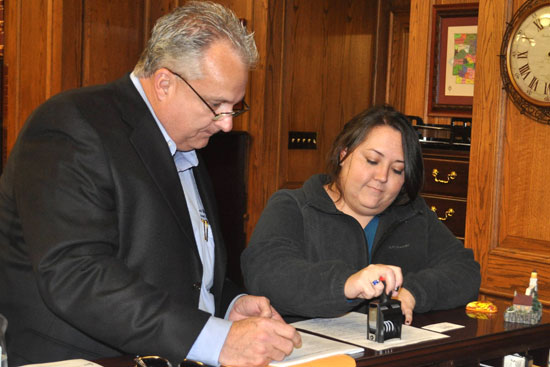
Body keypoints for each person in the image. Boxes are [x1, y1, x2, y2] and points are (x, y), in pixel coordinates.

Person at [0, 2, 301, 366]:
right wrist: (216, 339)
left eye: (235, 107)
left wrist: (228, 304)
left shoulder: (186, 142)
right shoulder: (72, 125)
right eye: (217, 104)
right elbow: (77, 275)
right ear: (164, 83)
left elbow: (176, 270)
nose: (227, 125)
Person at [241, 105, 481, 324]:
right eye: (372, 160)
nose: (383, 177)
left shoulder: (414, 214)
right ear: (343, 155)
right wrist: (347, 284)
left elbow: (465, 272)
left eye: (397, 170)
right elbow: (266, 275)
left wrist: (413, 293)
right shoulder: (292, 206)